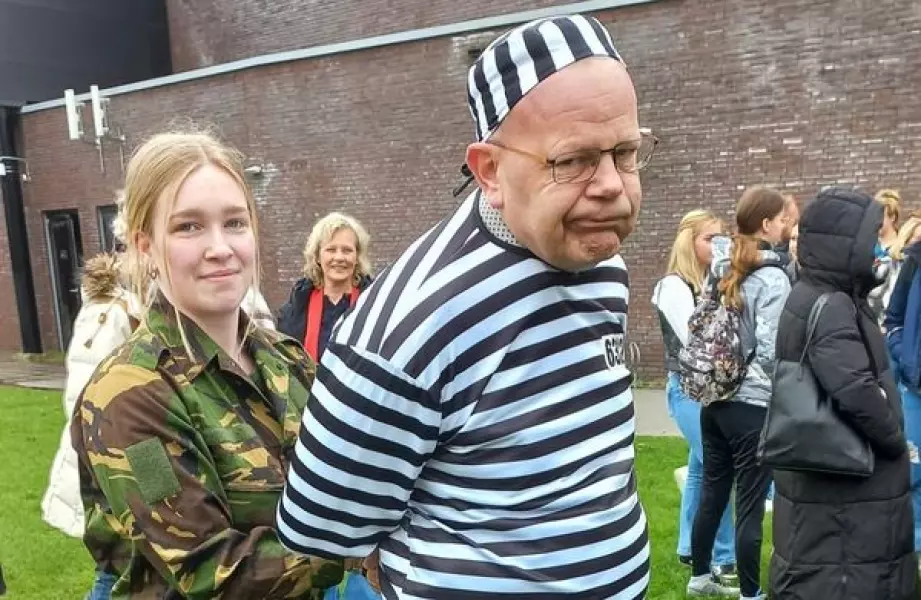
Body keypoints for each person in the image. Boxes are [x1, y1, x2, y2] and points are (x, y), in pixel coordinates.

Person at [276, 14, 654, 599]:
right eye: (573, 161)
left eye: (625, 152)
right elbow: (321, 519)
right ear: (490, 171)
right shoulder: (412, 323)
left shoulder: (600, 259)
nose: (611, 185)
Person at [71, 130, 354, 598]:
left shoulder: (286, 361)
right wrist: (356, 547)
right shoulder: (129, 394)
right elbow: (209, 569)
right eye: (188, 227)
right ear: (145, 246)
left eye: (235, 223)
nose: (220, 247)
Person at [772, 188, 915, 599]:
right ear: (844, 244)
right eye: (870, 237)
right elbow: (854, 389)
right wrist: (894, 440)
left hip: (828, 480)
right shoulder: (832, 304)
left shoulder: (817, 294)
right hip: (849, 487)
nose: (878, 247)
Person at [688, 186, 792, 600]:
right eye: (782, 219)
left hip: (714, 399)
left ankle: (699, 577)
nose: (786, 226)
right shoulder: (773, 277)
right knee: (749, 503)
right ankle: (752, 594)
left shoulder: (720, 266)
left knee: (713, 491)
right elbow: (770, 349)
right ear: (766, 224)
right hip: (752, 404)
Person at [41, 252, 135, 599]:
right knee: (118, 565)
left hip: (121, 457)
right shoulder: (112, 311)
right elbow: (90, 402)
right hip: (119, 464)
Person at [652, 210, 737, 580]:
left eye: (722, 238)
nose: (718, 245)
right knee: (720, 469)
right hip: (688, 390)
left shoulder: (712, 281)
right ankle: (722, 555)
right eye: (709, 238)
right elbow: (697, 341)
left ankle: (689, 546)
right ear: (689, 241)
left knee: (702, 471)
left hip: (713, 390)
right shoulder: (674, 286)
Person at [277, 212, 372, 361]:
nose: (339, 257)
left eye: (347, 250)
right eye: (331, 250)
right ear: (317, 256)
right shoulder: (296, 309)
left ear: (357, 257)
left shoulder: (373, 303)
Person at [885, 208, 921, 569]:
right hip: (916, 389)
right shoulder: (915, 261)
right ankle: (914, 551)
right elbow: (893, 318)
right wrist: (906, 356)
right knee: (913, 476)